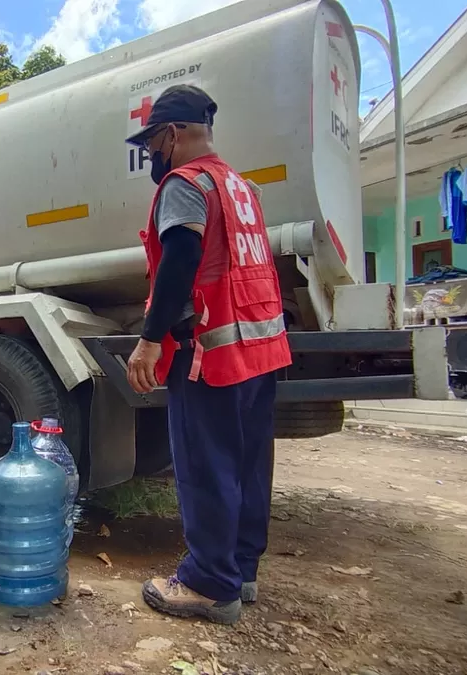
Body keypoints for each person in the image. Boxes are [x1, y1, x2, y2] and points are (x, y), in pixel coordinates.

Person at [124, 84, 292, 625]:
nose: (152, 152)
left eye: (153, 141)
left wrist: (150, 340)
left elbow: (180, 261)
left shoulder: (185, 183)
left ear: (172, 134)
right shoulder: (241, 187)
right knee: (247, 464)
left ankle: (207, 585)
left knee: (206, 465)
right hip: (261, 349)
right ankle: (240, 572)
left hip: (210, 350)